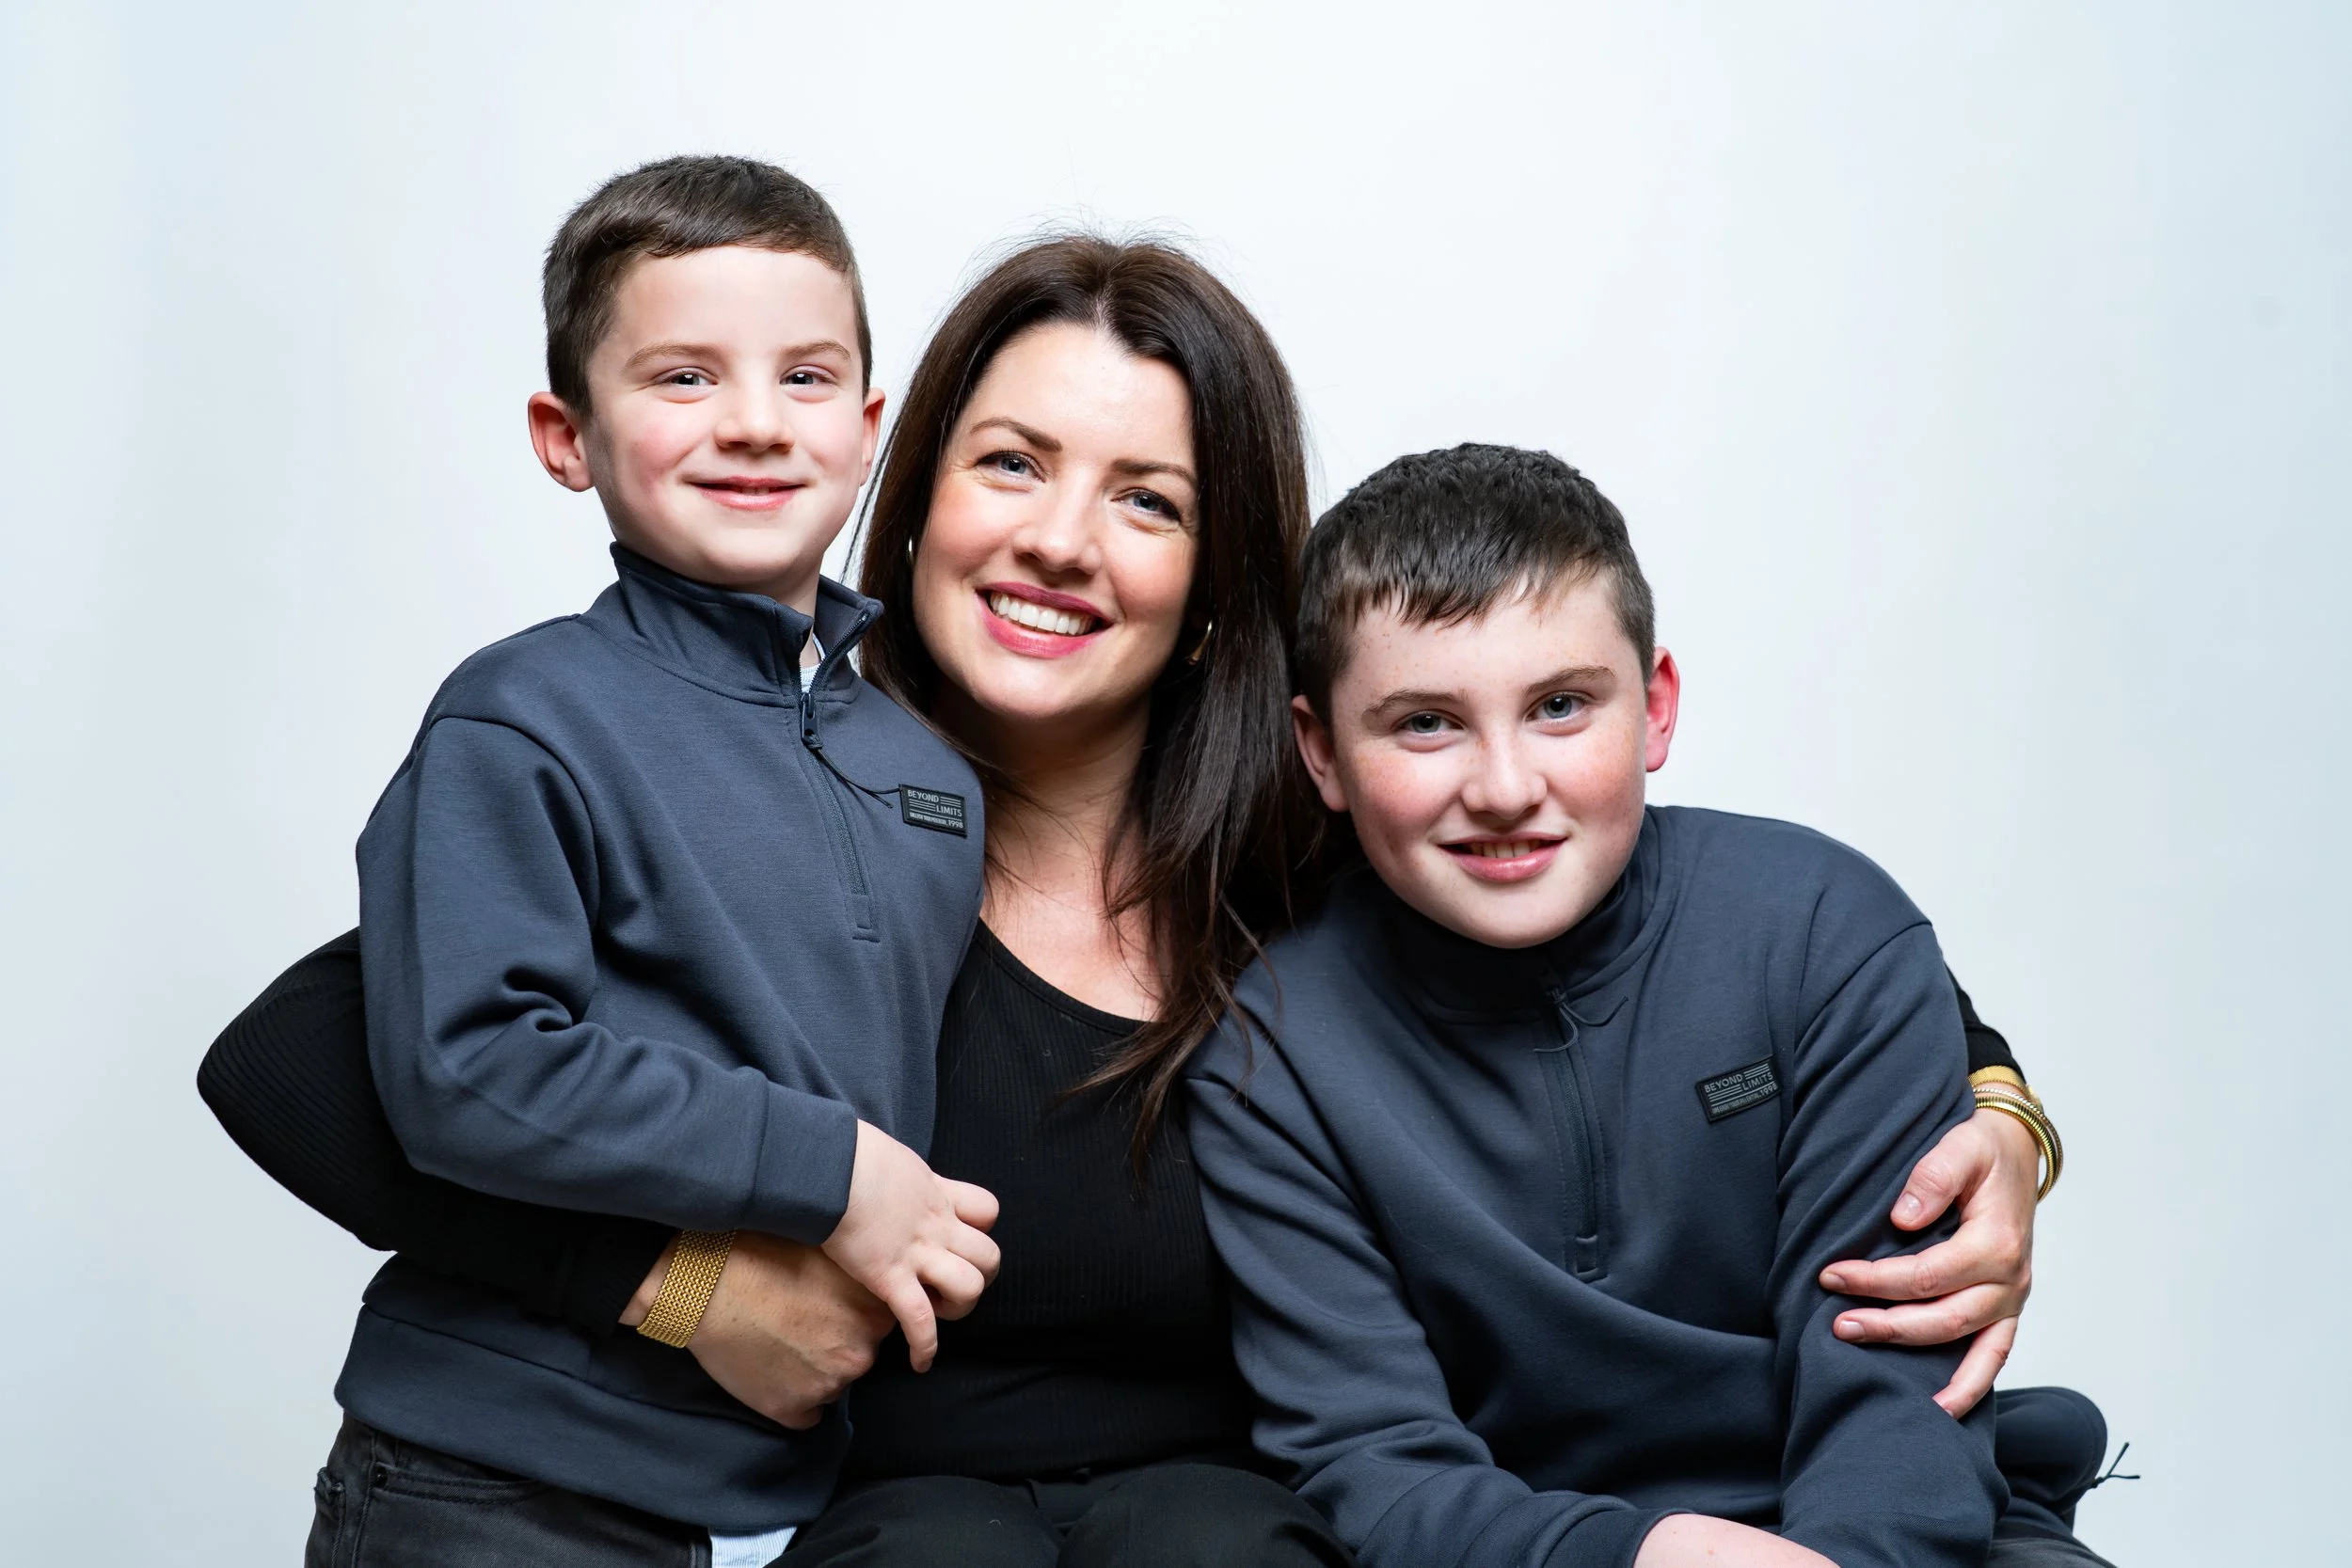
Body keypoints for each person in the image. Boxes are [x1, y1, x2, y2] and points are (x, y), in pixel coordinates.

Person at [201, 238, 2092, 1565]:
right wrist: (684, 1280)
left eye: (1147, 499)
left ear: (1214, 577)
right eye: (1008, 463)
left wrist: (2000, 1118)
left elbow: (1700, 938)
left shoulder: (1318, 826)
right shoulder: (756, 794)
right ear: (907, 482)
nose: (1055, 539)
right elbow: (314, 1053)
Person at [1184, 444, 2115, 1567]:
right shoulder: (1270, 1049)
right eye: (1425, 722)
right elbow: (1373, 1466)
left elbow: (1896, 1393)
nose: (1505, 786)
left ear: (1656, 706)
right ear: (1321, 751)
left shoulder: (1822, 930)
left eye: (1561, 706)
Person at [302, 153, 1004, 1565]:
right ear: (567, 435)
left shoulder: (928, 770)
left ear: (869, 426)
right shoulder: (526, 715)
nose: (753, 423)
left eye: (806, 379)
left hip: (766, 1484)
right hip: (490, 1475)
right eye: (684, 377)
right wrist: (839, 1168)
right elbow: (469, 1064)